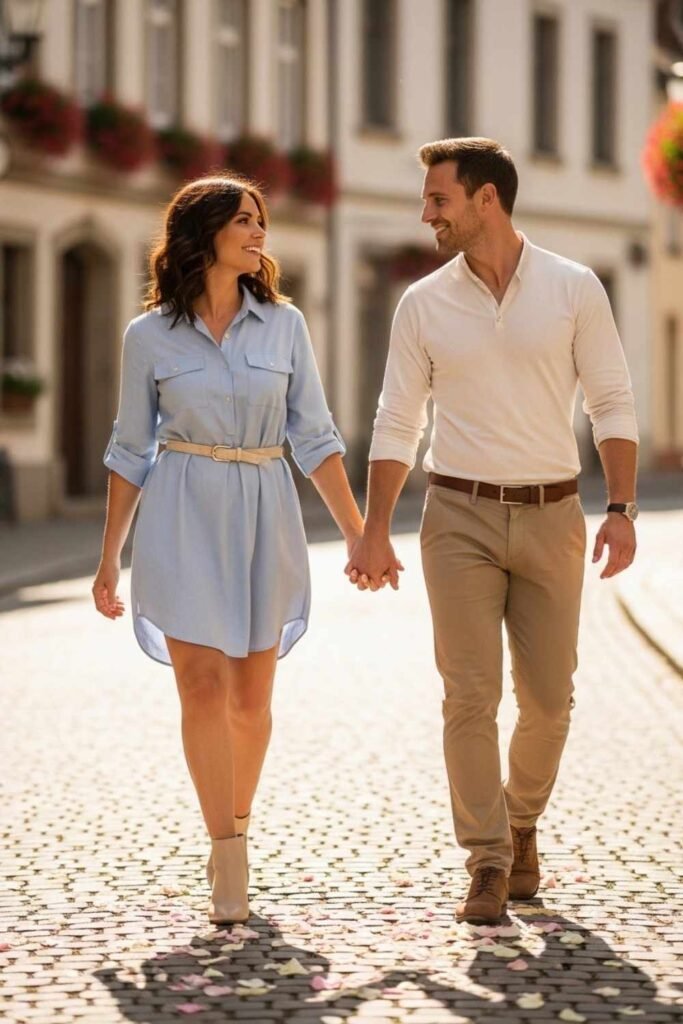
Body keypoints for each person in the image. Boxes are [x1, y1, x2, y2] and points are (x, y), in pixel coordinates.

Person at [347, 138, 639, 925]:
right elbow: (396, 419)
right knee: (467, 696)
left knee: (548, 700)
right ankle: (484, 859)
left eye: (438, 199)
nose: (426, 213)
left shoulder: (574, 289)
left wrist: (619, 508)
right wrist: (374, 529)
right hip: (458, 516)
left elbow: (610, 399)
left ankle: (519, 821)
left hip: (552, 513)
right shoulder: (423, 302)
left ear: (486, 200)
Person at [92, 174, 365, 925]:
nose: (258, 234)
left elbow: (314, 435)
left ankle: (233, 825)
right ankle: (228, 857)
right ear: (202, 233)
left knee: (251, 699)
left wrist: (357, 532)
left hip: (263, 510)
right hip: (180, 510)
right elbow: (128, 447)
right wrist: (108, 556)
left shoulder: (285, 326)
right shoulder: (146, 337)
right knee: (202, 689)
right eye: (243, 221)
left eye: (260, 221)